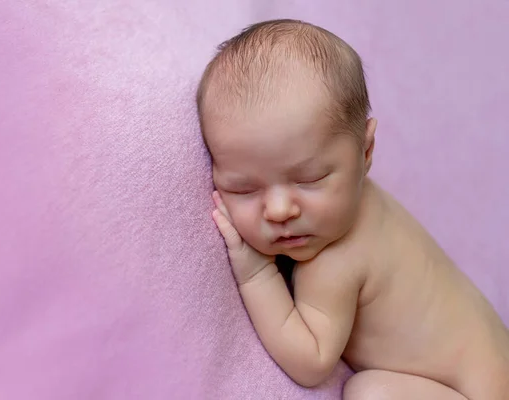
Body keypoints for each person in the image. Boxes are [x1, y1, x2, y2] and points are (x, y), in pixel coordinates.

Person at [196, 19, 509, 399]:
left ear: (365, 152)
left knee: (369, 392)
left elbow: (310, 361)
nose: (279, 210)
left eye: (310, 179)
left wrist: (256, 273)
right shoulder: (351, 200)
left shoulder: (334, 260)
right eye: (243, 188)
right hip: (492, 359)